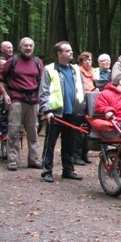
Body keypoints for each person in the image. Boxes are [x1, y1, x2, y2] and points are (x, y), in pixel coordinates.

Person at [0, 37, 44, 171]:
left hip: (33, 101)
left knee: (33, 131)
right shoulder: (13, 61)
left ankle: (34, 160)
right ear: (20, 47)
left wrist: (41, 101)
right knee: (14, 130)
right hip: (16, 99)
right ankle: (13, 160)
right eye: (25, 46)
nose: (28, 48)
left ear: (33, 47)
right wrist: (5, 95)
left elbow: (42, 82)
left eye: (30, 45)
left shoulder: (38, 62)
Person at [38, 41, 85, 183]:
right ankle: (47, 171)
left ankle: (68, 170)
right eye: (67, 51)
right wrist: (46, 110)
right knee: (50, 143)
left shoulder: (76, 69)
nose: (71, 52)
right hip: (55, 113)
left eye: (71, 50)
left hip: (73, 113)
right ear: (59, 53)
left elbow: (80, 89)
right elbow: (44, 91)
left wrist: (81, 109)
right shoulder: (49, 69)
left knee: (69, 143)